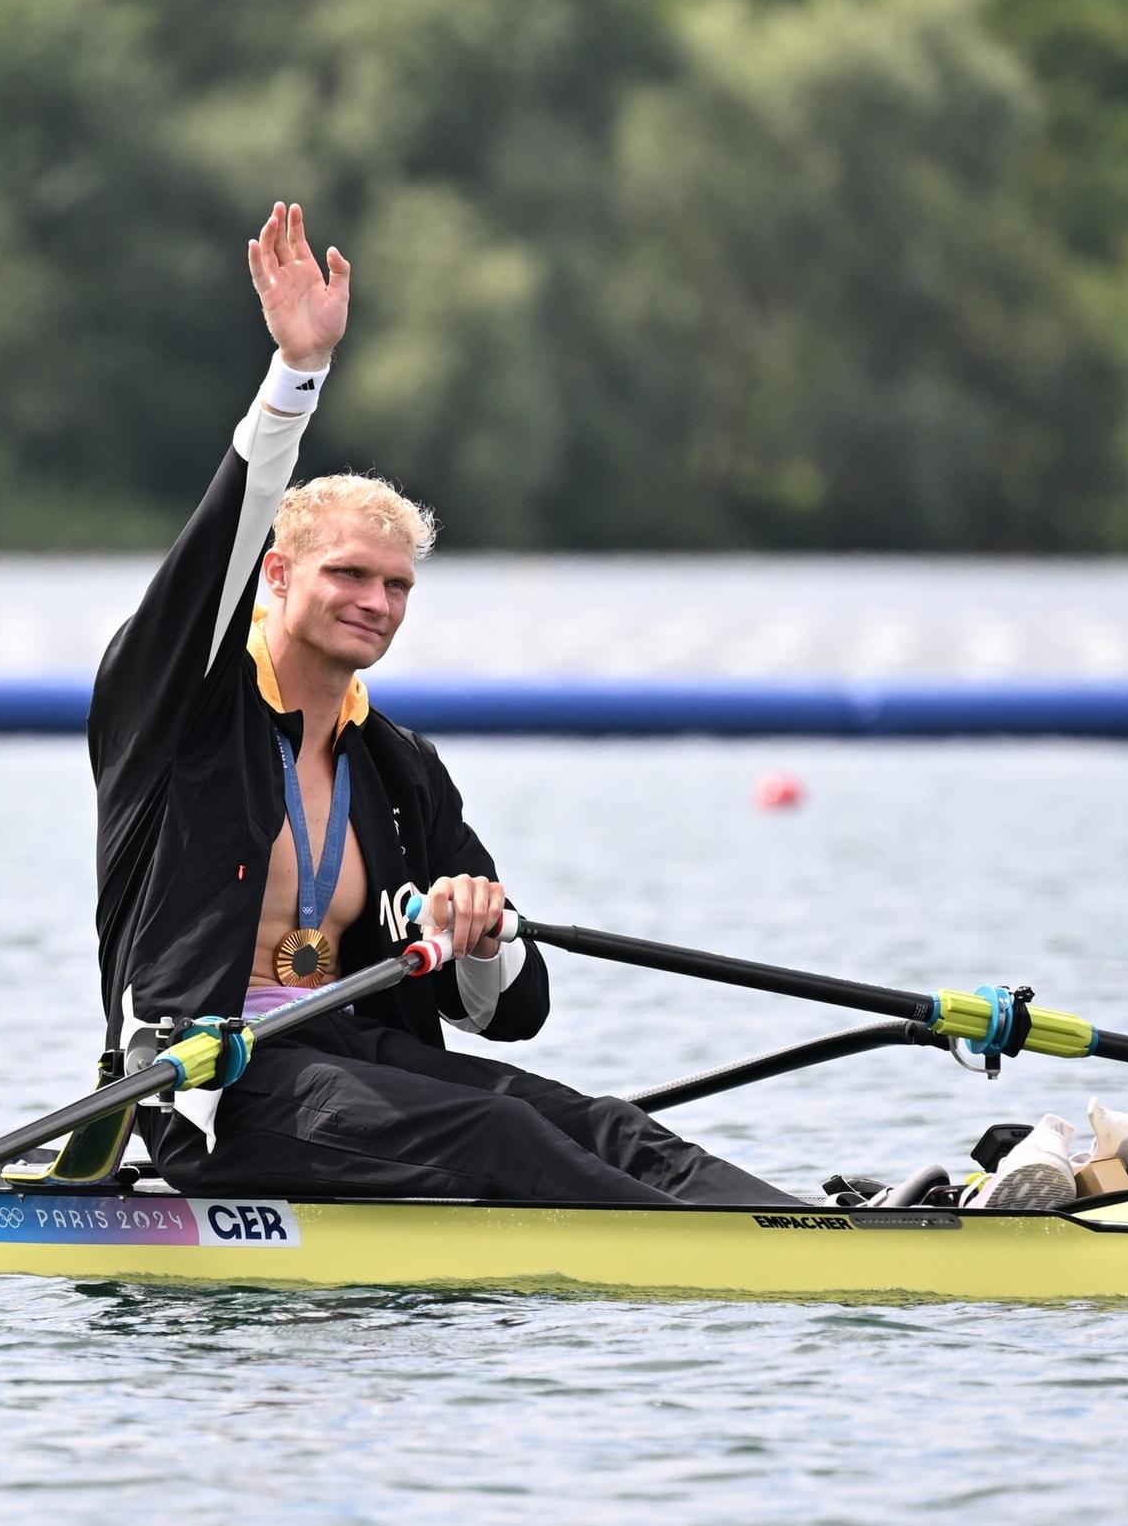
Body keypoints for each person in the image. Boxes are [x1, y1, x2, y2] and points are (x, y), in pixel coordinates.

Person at [89, 201, 799, 1206]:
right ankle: (718, 1259)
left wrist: (486, 938)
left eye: (396, 586)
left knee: (605, 1124)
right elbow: (219, 543)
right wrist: (296, 378)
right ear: (277, 577)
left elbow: (510, 1015)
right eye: (349, 576)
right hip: (206, 1091)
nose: (375, 603)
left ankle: (808, 1232)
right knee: (492, 1129)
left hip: (353, 1059)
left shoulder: (395, 766)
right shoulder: (174, 711)